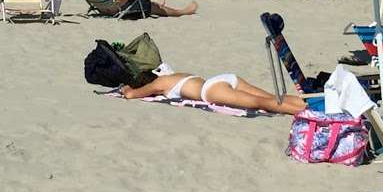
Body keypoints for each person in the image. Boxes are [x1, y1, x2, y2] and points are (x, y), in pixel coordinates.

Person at [120, 72, 306, 114]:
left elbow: (132, 95)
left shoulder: (159, 83)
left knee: (260, 103)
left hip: (210, 90)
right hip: (225, 77)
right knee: (271, 97)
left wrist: (128, 89)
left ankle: (304, 113)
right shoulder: (171, 75)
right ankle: (308, 105)